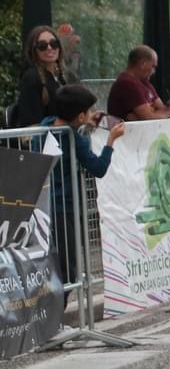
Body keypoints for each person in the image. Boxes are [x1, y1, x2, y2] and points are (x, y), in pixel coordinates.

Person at [38, 84, 124, 303]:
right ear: (80, 115)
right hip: (65, 208)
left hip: (43, 206)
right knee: (68, 269)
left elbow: (67, 128)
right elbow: (99, 168)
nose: (92, 113)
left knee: (52, 264)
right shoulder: (75, 140)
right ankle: (52, 314)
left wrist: (83, 124)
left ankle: (48, 312)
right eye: (88, 111)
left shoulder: (46, 125)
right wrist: (111, 140)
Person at [16, 25, 73, 127]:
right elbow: (31, 124)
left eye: (54, 44)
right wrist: (55, 124)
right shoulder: (31, 78)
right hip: (47, 136)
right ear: (34, 50)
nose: (49, 48)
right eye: (42, 46)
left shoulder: (63, 75)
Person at [106, 45, 170, 121]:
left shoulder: (145, 83)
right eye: (153, 66)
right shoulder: (127, 83)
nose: (154, 71)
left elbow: (162, 109)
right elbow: (149, 118)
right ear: (143, 63)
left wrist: (143, 115)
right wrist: (169, 112)